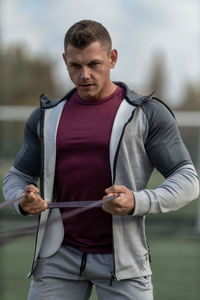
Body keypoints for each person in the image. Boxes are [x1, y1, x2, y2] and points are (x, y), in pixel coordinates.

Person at [3, 20, 199, 300]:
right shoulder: (45, 117)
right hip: (56, 259)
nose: (84, 75)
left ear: (113, 58)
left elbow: (188, 181)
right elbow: (16, 177)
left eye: (94, 64)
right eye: (75, 66)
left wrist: (137, 200)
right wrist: (22, 199)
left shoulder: (148, 115)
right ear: (64, 61)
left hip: (125, 264)